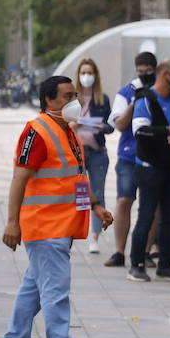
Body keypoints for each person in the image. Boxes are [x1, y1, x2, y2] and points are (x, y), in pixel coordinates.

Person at [0, 75, 113, 338]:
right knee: (55, 290)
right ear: (49, 100)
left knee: (35, 287)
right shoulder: (37, 132)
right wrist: (12, 222)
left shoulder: (68, 132)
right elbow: (19, 178)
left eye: (75, 95)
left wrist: (97, 207)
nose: (74, 101)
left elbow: (76, 177)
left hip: (60, 225)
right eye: (67, 96)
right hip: (45, 226)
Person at [127, 59, 170, 283]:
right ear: (165, 75)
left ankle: (166, 264)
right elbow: (140, 131)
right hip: (149, 168)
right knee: (146, 216)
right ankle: (136, 264)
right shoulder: (146, 98)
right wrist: (167, 131)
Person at [105, 52, 158, 268]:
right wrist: (135, 103)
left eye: (149, 71)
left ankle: (146, 251)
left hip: (154, 157)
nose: (145, 75)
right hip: (129, 156)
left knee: (152, 205)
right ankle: (119, 251)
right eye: (141, 71)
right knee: (124, 200)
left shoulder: (160, 91)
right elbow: (119, 124)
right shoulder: (126, 92)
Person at [74, 58, 113, 255]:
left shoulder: (102, 99)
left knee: (97, 194)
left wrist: (101, 126)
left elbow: (111, 126)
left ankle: (95, 237)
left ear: (95, 75)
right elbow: (63, 122)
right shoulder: (72, 99)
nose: (86, 77)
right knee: (81, 194)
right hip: (78, 154)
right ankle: (77, 231)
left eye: (90, 73)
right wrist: (75, 125)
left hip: (97, 152)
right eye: (83, 73)